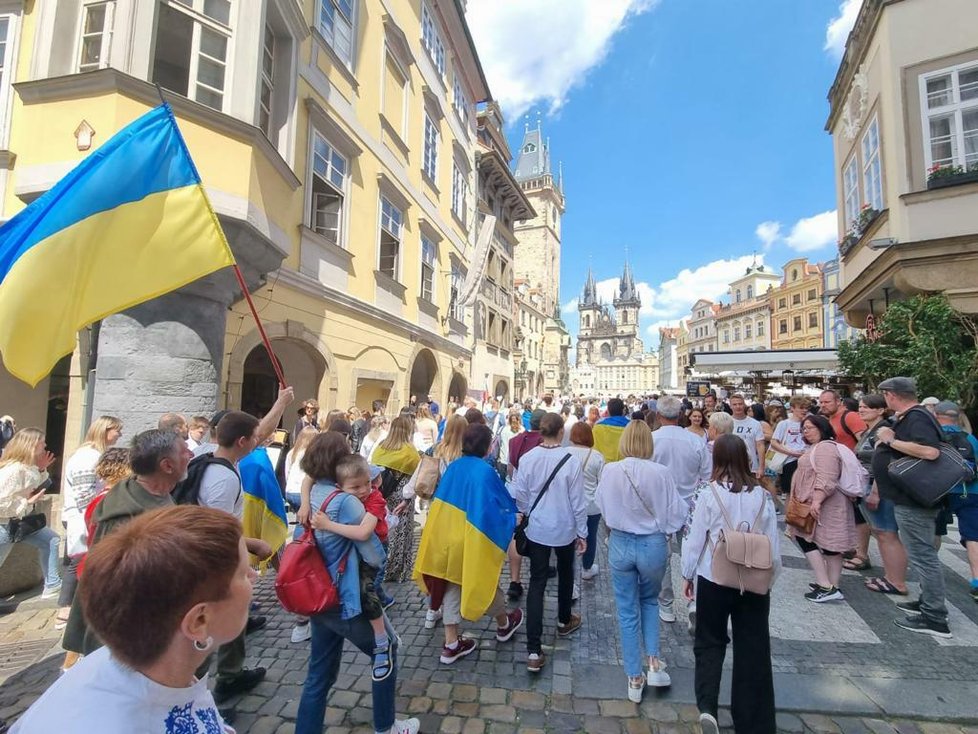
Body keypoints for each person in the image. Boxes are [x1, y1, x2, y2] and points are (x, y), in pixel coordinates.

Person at [13, 506, 252, 733]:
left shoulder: (140, 667)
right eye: (243, 573)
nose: (254, 576)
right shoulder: (124, 721)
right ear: (199, 621)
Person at [296, 438, 419, 734]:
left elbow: (306, 484)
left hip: (318, 591)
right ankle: (386, 726)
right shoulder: (345, 501)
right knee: (385, 648)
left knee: (319, 672)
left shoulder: (313, 492)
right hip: (345, 594)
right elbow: (374, 552)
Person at [62, 429, 193, 659]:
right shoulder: (126, 520)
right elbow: (112, 596)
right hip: (131, 643)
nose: (191, 454)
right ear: (167, 466)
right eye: (184, 452)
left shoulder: (151, 492)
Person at [681, 434, 779, 734]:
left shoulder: (707, 493)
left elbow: (695, 538)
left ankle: (708, 705)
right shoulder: (762, 495)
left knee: (709, 641)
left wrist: (687, 574)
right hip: (754, 577)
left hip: (715, 575)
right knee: (754, 647)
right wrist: (769, 578)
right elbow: (772, 544)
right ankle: (754, 720)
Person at [413, 424, 524, 666]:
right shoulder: (485, 472)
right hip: (468, 538)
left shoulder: (454, 467)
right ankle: (504, 624)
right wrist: (510, 519)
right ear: (487, 446)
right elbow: (490, 509)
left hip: (446, 536)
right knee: (481, 580)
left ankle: (451, 643)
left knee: (453, 582)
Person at [193, 411, 281, 704]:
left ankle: (231, 673)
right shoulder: (223, 479)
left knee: (235, 615)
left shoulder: (208, 453)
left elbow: (257, 429)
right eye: (254, 439)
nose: (260, 441)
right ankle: (199, 692)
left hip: (226, 559)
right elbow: (213, 531)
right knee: (208, 626)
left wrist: (281, 402)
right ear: (242, 442)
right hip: (215, 561)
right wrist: (254, 545)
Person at [595, 419, 687, 702]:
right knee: (649, 601)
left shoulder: (610, 470)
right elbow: (676, 513)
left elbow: (601, 505)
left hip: (621, 542)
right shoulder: (661, 472)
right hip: (652, 544)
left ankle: (634, 676)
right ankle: (654, 662)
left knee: (626, 610)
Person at [872, 377, 950, 637]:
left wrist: (890, 440)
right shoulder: (915, 416)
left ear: (891, 396)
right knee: (921, 554)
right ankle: (928, 602)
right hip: (909, 498)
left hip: (915, 500)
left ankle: (935, 617)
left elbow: (931, 453)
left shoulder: (916, 417)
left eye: (885, 395)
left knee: (923, 556)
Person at [309, 455, 395, 681]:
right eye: (355, 487)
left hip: (375, 550)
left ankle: (381, 639)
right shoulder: (341, 498)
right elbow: (309, 477)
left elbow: (364, 533)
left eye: (367, 483)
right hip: (358, 550)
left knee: (367, 593)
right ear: (339, 487)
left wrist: (328, 525)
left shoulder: (375, 499)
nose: (364, 490)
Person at [513, 413, 586, 673]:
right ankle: (564, 619)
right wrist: (583, 532)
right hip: (564, 526)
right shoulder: (570, 461)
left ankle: (534, 649)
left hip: (538, 528)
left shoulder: (528, 458)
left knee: (537, 582)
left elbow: (520, 495)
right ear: (560, 433)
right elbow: (578, 502)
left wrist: (527, 511)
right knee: (566, 573)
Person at [652, 396, 712, 631]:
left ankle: (666, 604)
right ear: (681, 415)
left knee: (662, 558)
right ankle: (694, 601)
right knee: (693, 554)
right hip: (689, 506)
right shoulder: (695, 441)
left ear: (658, 415)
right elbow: (707, 475)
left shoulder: (651, 439)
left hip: (660, 507)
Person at [58, 416, 124, 621]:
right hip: (83, 515)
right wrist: (99, 513)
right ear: (105, 430)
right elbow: (83, 494)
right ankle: (65, 608)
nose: (119, 434)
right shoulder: (87, 456)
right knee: (78, 559)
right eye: (117, 430)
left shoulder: (96, 454)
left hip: (89, 514)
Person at [788, 414, 855, 603]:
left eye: (810, 428)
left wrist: (816, 501)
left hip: (824, 504)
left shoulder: (825, 448)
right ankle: (831, 585)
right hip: (824, 503)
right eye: (804, 428)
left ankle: (826, 584)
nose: (806, 432)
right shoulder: (821, 447)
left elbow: (827, 478)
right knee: (829, 545)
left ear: (822, 428)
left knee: (808, 540)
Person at [0, 428, 60, 597]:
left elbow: (34, 486)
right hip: (5, 525)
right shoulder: (13, 470)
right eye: (42, 442)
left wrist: (41, 470)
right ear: (32, 445)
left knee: (51, 540)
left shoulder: (27, 467)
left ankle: (53, 584)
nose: (46, 445)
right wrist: (27, 502)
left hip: (20, 522)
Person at [857, 395, 907, 595]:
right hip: (868, 484)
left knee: (887, 534)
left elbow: (884, 462)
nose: (861, 410)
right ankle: (891, 577)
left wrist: (876, 492)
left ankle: (896, 581)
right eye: (860, 407)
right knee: (881, 532)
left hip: (880, 487)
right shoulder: (870, 430)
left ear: (880, 410)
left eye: (867, 407)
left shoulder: (883, 430)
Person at [934, 401, 978, 603]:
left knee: (936, 530)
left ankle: (930, 570)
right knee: (973, 536)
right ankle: (977, 580)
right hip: (971, 492)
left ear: (936, 415)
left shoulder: (934, 438)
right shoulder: (971, 439)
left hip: (939, 491)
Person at [369, 415, 421, 584]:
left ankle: (382, 565)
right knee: (402, 531)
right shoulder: (409, 451)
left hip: (383, 493)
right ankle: (398, 570)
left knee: (384, 529)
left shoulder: (381, 447)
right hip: (402, 495)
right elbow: (417, 474)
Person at [566, 422, 605, 580]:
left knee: (567, 536)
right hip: (591, 505)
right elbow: (602, 483)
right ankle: (587, 568)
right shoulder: (597, 456)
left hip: (568, 503)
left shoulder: (564, 453)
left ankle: (568, 565)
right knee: (591, 536)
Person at [770, 397, 809, 498]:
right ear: (792, 408)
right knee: (790, 493)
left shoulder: (809, 423)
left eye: (806, 408)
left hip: (806, 460)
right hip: (789, 461)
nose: (804, 410)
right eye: (801, 408)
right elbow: (774, 442)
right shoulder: (784, 424)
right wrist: (791, 452)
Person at [730, 394, 765, 479]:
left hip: (751, 468)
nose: (738, 407)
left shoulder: (755, 424)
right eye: (734, 404)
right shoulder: (727, 422)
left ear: (744, 405)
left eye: (740, 404)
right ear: (730, 406)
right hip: (731, 468)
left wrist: (761, 467)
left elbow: (760, 446)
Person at [285, 427, 319, 511]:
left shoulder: (292, 452)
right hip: (302, 493)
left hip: (289, 491)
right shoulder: (312, 454)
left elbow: (287, 473)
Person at [593, 398, 630, 463]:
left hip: (604, 466)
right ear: (623, 410)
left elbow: (594, 449)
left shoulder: (597, 428)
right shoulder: (632, 427)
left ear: (608, 411)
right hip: (625, 466)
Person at [497, 410, 524, 481]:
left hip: (503, 460)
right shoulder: (522, 431)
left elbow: (499, 443)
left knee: (502, 485)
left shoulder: (503, 429)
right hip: (516, 462)